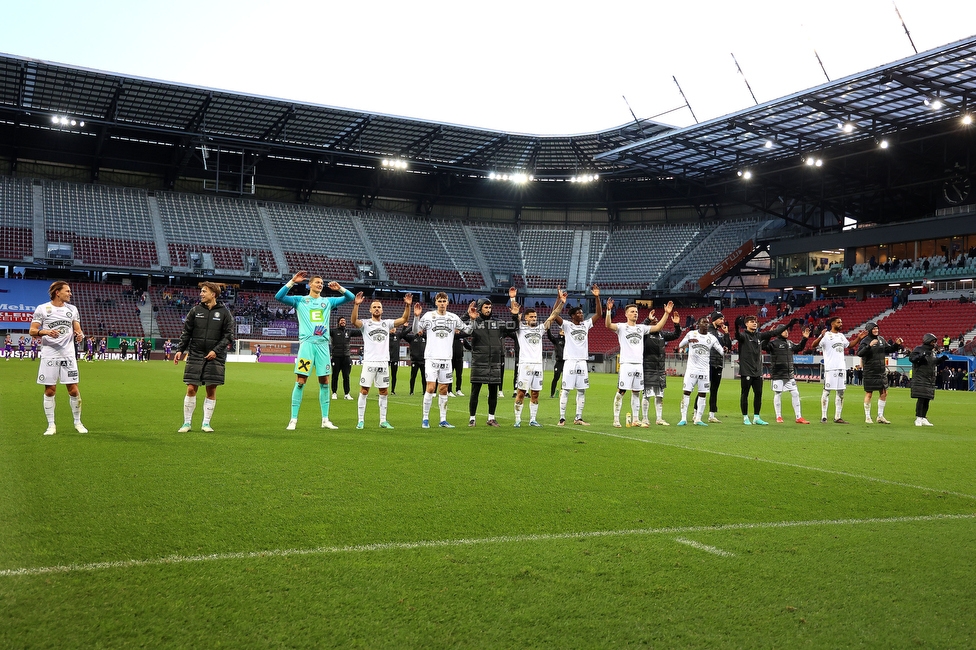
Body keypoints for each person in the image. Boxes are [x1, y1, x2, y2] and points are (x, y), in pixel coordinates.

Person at [275, 272, 354, 430]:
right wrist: (292, 281)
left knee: (325, 382)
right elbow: (279, 296)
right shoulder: (300, 301)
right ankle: (293, 420)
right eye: (317, 282)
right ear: (310, 284)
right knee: (300, 382)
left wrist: (339, 288)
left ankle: (325, 419)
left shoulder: (327, 302)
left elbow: (350, 297)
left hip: (323, 347)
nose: (320, 284)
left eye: (322, 282)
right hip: (307, 346)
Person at [174, 282, 235, 433]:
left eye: (204, 291)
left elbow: (228, 336)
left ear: (213, 294)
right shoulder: (195, 311)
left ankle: (206, 423)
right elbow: (186, 332)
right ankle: (187, 423)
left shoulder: (224, 313)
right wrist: (180, 349)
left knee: (211, 389)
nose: (201, 294)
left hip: (215, 356)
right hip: (195, 354)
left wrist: (216, 350)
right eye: (201, 291)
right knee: (190, 388)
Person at [29, 281, 87, 435]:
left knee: (73, 390)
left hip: (68, 355)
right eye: (67, 291)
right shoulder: (43, 309)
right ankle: (51, 425)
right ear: (57, 292)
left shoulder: (72, 309)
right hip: (50, 355)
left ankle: (78, 422)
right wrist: (45, 332)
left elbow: (78, 330)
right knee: (49, 390)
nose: (70, 294)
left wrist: (80, 335)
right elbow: (32, 331)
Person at [605, 298, 674, 428]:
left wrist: (666, 313)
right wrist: (608, 311)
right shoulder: (621, 327)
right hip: (626, 364)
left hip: (639, 365)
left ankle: (635, 419)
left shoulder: (641, 328)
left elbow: (658, 327)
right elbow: (608, 325)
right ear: (626, 314)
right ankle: (616, 419)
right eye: (632, 311)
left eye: (636, 311)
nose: (635, 313)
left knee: (636, 392)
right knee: (621, 391)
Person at [349, 291, 412, 429]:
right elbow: (353, 321)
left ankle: (383, 420)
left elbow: (403, 319)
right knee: (364, 390)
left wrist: (408, 306)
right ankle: (360, 420)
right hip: (369, 362)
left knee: (383, 392)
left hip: (383, 362)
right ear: (370, 310)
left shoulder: (387, 323)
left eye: (379, 307)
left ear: (382, 310)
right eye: (374, 307)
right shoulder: (365, 324)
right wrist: (356, 305)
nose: (377, 309)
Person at [414, 292, 475, 428]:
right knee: (430, 388)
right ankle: (425, 419)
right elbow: (416, 330)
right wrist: (416, 317)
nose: (442, 303)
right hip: (431, 358)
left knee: (443, 389)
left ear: (448, 302)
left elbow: (468, 330)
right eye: (440, 301)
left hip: (447, 359)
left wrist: (471, 319)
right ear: (436, 302)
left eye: (444, 301)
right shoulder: (428, 316)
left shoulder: (453, 318)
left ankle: (443, 419)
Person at [464, 288, 520, 427]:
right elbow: (459, 326)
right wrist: (467, 314)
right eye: (485, 307)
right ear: (479, 308)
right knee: (475, 391)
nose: (488, 309)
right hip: (479, 361)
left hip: (494, 362)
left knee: (493, 392)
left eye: (490, 307)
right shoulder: (474, 322)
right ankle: (472, 418)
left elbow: (514, 327)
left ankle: (491, 417)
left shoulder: (498, 322)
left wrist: (514, 315)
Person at [512, 289, 566, 427]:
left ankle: (532, 419)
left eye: (535, 317)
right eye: (531, 317)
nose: (534, 319)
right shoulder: (520, 329)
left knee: (535, 394)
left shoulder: (540, 329)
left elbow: (553, 316)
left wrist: (561, 302)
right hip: (525, 365)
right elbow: (514, 316)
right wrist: (513, 299)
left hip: (537, 365)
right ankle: (517, 419)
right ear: (525, 318)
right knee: (521, 393)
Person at [552, 285, 604, 426]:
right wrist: (559, 300)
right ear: (573, 315)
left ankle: (578, 418)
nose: (582, 314)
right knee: (566, 390)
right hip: (569, 361)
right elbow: (554, 315)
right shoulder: (567, 325)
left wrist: (597, 297)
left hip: (582, 361)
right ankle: (562, 418)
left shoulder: (586, 325)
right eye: (579, 313)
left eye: (582, 313)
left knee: (581, 391)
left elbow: (599, 314)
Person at [734, 315, 789, 426]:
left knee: (758, 394)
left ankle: (756, 417)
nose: (754, 323)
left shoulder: (759, 336)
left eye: (755, 321)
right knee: (745, 394)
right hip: (746, 371)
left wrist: (789, 324)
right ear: (746, 324)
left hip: (758, 371)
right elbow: (737, 334)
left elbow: (772, 333)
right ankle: (745, 417)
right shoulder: (743, 336)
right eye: (751, 321)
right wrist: (736, 324)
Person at [808, 316, 859, 424]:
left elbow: (849, 345)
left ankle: (837, 417)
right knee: (827, 392)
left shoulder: (841, 336)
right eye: (838, 322)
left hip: (841, 367)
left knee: (841, 392)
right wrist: (821, 336)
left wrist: (859, 338)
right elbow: (813, 345)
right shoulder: (826, 336)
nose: (841, 324)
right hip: (830, 368)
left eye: (841, 322)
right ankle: (824, 416)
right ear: (832, 324)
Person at [676, 316, 725, 426]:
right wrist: (688, 341)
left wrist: (724, 350)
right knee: (686, 392)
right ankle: (683, 418)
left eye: (707, 323)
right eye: (703, 322)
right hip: (691, 369)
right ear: (698, 324)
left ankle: (698, 419)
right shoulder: (691, 334)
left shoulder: (712, 338)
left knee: (703, 394)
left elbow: (721, 351)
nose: (706, 324)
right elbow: (680, 345)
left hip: (704, 370)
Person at [641, 307, 683, 426]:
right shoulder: (644, 334)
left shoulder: (662, 334)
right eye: (653, 322)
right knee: (647, 394)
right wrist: (647, 320)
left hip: (660, 368)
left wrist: (676, 325)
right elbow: (639, 328)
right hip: (648, 367)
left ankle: (659, 418)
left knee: (659, 395)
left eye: (657, 322)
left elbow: (676, 335)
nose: (656, 323)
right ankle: (645, 418)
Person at [856, 321, 903, 424]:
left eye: (877, 328)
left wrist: (896, 345)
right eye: (874, 329)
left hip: (881, 371)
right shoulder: (865, 341)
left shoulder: (881, 339)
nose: (876, 330)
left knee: (884, 392)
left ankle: (880, 416)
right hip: (870, 371)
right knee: (869, 393)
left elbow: (889, 349)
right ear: (869, 330)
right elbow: (859, 353)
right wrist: (869, 346)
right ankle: (867, 417)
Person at [764, 324, 811, 423]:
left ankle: (798, 417)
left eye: (787, 331)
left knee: (795, 393)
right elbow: (764, 346)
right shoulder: (773, 343)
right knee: (778, 393)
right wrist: (769, 335)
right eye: (784, 330)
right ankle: (778, 416)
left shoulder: (789, 343)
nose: (786, 332)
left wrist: (804, 339)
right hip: (777, 373)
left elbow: (798, 348)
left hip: (789, 374)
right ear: (778, 332)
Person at [910, 333, 947, 426]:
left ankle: (923, 417)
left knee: (927, 399)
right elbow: (912, 359)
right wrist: (921, 356)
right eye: (933, 341)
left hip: (929, 378)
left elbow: (933, 363)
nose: (934, 343)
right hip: (920, 377)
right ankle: (918, 418)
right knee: (921, 398)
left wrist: (941, 359)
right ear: (928, 341)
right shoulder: (918, 349)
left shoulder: (932, 352)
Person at [706, 312, 732, 423]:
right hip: (707, 363)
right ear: (714, 319)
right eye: (720, 319)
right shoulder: (707, 331)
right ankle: (696, 412)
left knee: (714, 390)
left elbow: (729, 346)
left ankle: (712, 415)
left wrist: (726, 333)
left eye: (723, 318)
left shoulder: (721, 334)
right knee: (703, 389)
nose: (722, 321)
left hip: (718, 364)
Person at [330, 316, 359, 400]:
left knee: (346, 376)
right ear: (338, 322)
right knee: (335, 376)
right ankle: (334, 393)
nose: (343, 322)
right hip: (336, 357)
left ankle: (347, 394)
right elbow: (324, 331)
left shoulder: (348, 331)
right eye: (341, 321)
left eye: (344, 321)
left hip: (346, 357)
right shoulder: (333, 331)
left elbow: (360, 332)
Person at [400, 316, 426, 394]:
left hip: (423, 361)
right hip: (415, 360)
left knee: (424, 377)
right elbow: (403, 335)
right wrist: (406, 328)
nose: (420, 331)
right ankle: (411, 391)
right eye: (418, 329)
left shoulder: (425, 338)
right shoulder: (412, 338)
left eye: (421, 329)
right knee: (413, 377)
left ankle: (425, 391)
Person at [547, 326, 565, 398]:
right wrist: (548, 329)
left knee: (564, 379)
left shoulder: (568, 340)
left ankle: (563, 394)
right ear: (559, 332)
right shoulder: (556, 340)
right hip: (559, 362)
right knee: (556, 378)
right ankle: (552, 393)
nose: (563, 334)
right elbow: (550, 337)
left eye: (564, 332)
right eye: (562, 332)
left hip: (566, 362)